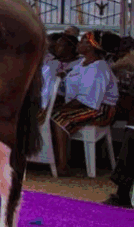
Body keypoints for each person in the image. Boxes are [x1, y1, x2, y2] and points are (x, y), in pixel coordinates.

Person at [50, 30, 121, 176]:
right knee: (50, 114)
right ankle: (53, 160)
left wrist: (62, 108)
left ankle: (63, 166)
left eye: (83, 41)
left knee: (58, 119)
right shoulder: (83, 63)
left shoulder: (99, 68)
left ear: (91, 46)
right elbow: (72, 84)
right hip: (85, 104)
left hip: (101, 109)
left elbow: (88, 99)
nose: (79, 43)